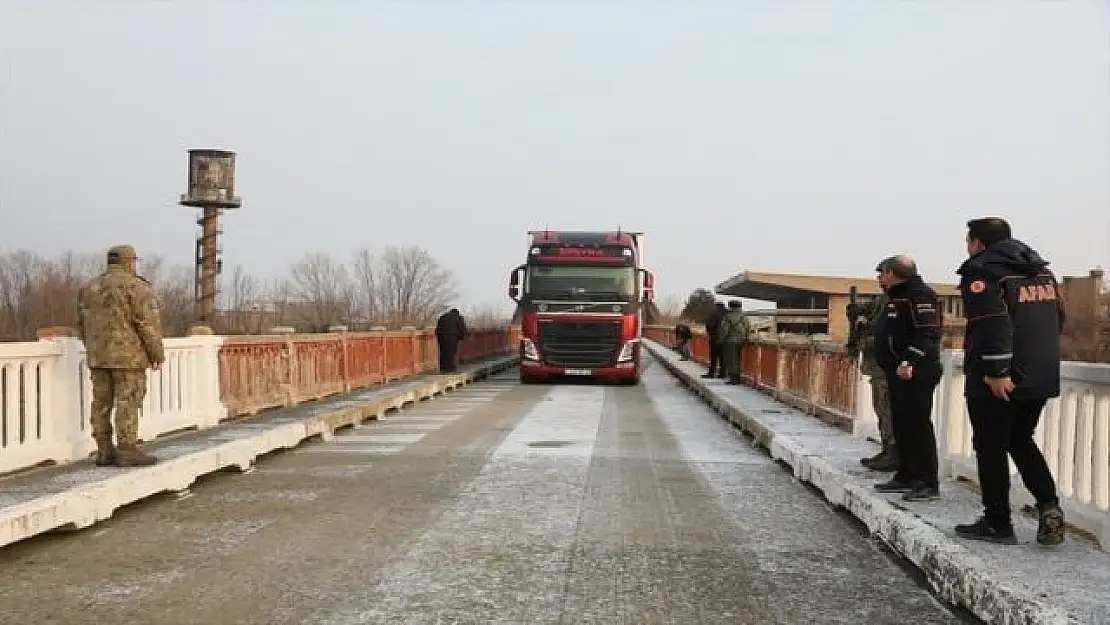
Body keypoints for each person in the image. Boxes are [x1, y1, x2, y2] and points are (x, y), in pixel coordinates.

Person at [954, 217, 1066, 546]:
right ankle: (1049, 506)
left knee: (990, 446)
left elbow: (990, 322)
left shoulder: (983, 271)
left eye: (968, 241)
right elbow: (1058, 318)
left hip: (1000, 377)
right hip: (1040, 372)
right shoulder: (1042, 272)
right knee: (1020, 440)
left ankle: (997, 522)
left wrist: (996, 371)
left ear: (977, 242)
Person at [76, 244, 164, 467]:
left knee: (101, 402)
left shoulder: (89, 288)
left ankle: (104, 450)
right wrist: (156, 353)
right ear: (129, 261)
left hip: (98, 357)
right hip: (128, 357)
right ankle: (126, 449)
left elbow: (81, 324)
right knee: (128, 400)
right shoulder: (136, 287)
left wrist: (93, 347)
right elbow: (146, 324)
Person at [871, 255, 944, 501]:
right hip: (897, 371)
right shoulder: (897, 297)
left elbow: (928, 332)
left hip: (916, 370)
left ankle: (927, 481)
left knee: (918, 424)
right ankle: (906, 474)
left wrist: (909, 360)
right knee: (902, 423)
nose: (880, 278)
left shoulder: (920, 295)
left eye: (882, 273)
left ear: (893, 273)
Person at [854, 282, 898, 472]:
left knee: (887, 410)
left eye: (884, 274)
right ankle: (887, 450)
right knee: (881, 409)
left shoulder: (895, 302)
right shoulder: (881, 301)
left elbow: (887, 335)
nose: (880, 279)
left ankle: (893, 453)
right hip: (877, 367)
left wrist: (865, 338)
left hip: (886, 368)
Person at [718, 300, 751, 385]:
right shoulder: (744, 317)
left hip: (730, 341)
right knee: (738, 359)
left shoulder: (728, 317)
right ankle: (738, 378)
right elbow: (748, 328)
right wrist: (745, 339)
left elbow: (724, 330)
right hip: (741, 341)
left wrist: (721, 339)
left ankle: (733, 379)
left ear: (731, 307)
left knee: (731, 360)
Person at [435, 308, 467, 373]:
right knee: (451, 353)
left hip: (441, 336)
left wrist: (438, 336)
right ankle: (451, 369)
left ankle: (442, 368)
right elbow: (462, 328)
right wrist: (461, 338)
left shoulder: (442, 316)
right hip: (452, 336)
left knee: (443, 352)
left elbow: (437, 328)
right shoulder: (458, 317)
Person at [702, 302, 727, 379]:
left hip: (715, 339)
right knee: (723, 357)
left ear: (717, 307)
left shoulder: (715, 314)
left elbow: (709, 325)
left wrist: (711, 334)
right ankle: (722, 373)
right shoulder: (728, 314)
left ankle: (711, 373)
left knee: (713, 357)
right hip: (726, 340)